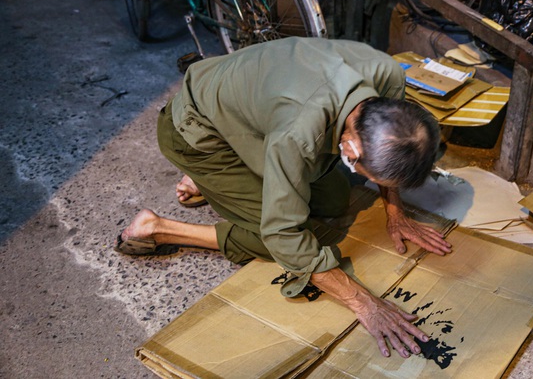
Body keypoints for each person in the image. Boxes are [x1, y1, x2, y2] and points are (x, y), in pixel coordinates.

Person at [116, 37, 452, 359]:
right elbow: (284, 234)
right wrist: (364, 303)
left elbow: (392, 153)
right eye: (371, 176)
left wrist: (397, 214)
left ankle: (217, 181)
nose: (378, 186)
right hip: (196, 132)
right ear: (350, 149)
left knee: (334, 200)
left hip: (250, 109)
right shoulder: (298, 134)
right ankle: (158, 226)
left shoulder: (387, 77)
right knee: (289, 238)